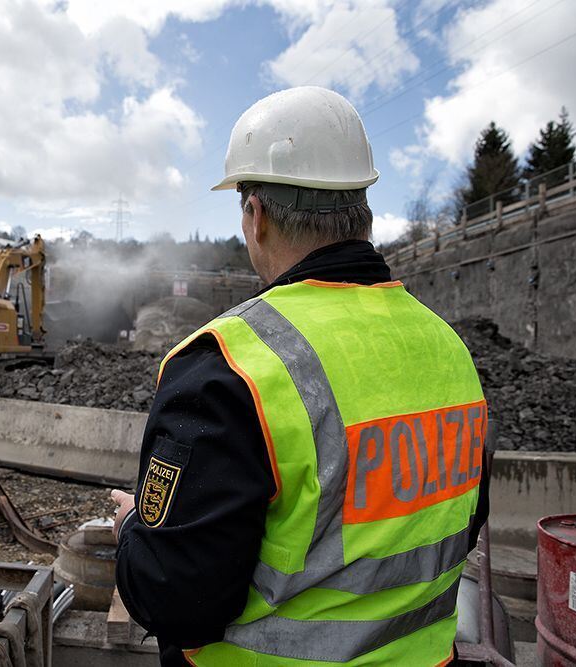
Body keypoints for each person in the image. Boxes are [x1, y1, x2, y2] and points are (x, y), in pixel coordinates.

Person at [111, 86, 490, 666]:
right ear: (362, 211)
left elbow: (176, 597)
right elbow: (462, 523)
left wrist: (134, 529)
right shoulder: (450, 352)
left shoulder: (228, 367)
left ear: (255, 215)